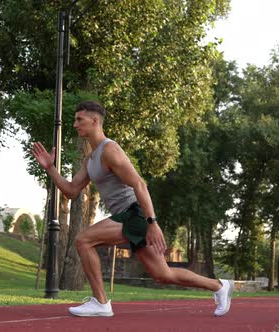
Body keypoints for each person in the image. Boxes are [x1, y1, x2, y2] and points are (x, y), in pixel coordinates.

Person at [32, 100, 234, 317]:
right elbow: (71, 191)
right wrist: (51, 168)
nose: (75, 124)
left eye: (79, 119)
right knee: (162, 274)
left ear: (95, 121)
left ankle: (101, 303)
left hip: (134, 213)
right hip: (126, 216)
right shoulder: (90, 159)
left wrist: (152, 223)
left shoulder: (110, 149)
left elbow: (139, 184)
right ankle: (220, 286)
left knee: (83, 240)